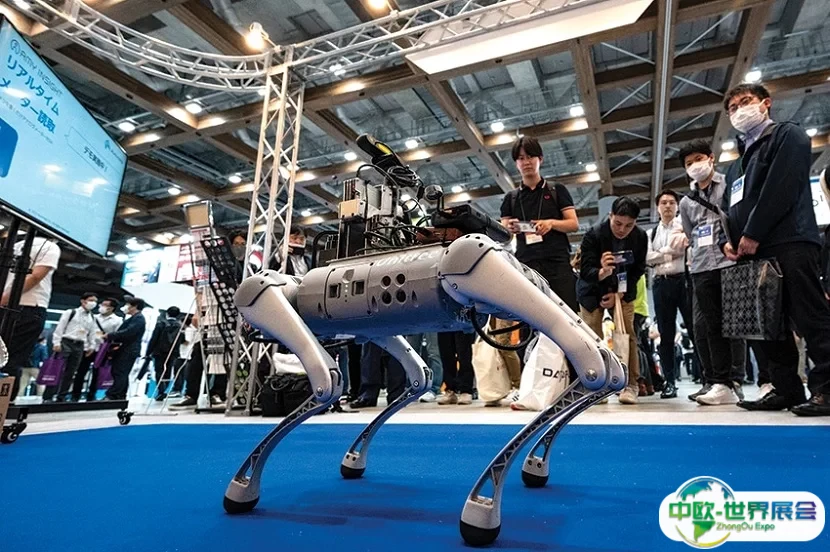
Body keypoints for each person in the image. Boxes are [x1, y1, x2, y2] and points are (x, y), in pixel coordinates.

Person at [719, 83, 830, 416]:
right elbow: (729, 208)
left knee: (809, 316)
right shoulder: (737, 165)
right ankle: (785, 388)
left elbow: (782, 185)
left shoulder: (787, 135)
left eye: (746, 102)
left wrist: (753, 231)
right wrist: (728, 241)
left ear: (766, 103)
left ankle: (826, 388)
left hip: (790, 240)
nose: (739, 110)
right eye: (733, 107)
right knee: (768, 324)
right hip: (752, 251)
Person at [678, 140, 746, 405]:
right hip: (702, 266)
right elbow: (690, 233)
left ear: (711, 158)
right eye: (689, 163)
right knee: (710, 326)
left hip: (730, 261)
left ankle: (736, 379)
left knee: (734, 324)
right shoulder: (686, 202)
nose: (695, 166)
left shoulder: (729, 184)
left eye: (698, 159)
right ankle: (719, 382)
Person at [578, 197, 647, 404]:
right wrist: (602, 271)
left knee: (627, 335)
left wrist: (618, 294)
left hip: (623, 290)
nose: (622, 229)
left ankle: (630, 384)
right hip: (592, 291)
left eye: (628, 225)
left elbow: (638, 270)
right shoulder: (593, 235)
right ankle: (596, 384)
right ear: (610, 216)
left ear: (635, 223)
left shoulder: (640, 237)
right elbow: (585, 271)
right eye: (618, 223)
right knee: (591, 338)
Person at [500, 135, 580, 310]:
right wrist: (510, 228)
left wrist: (551, 223)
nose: (526, 162)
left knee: (567, 314)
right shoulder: (511, 198)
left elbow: (573, 224)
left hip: (558, 263)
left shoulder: (556, 190)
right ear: (516, 163)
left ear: (540, 159)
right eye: (521, 158)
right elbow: (502, 232)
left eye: (530, 156)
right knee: (531, 314)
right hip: (526, 264)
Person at [2, 236, 60, 403]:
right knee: (11, 360)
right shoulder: (50, 246)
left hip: (9, 307)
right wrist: (6, 298)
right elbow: (35, 277)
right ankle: (4, 407)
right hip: (29, 306)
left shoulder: (15, 246)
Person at [645, 190, 691, 399]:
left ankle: (709, 380)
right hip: (661, 283)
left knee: (695, 329)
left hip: (684, 281)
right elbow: (648, 258)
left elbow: (685, 249)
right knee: (665, 335)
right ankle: (669, 382)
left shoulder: (684, 226)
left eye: (672, 202)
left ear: (677, 206)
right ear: (657, 207)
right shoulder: (651, 233)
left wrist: (661, 254)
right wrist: (670, 252)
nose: (667, 206)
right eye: (663, 202)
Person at [46, 292, 98, 402]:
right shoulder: (71, 312)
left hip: (80, 345)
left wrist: (91, 346)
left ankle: (62, 396)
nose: (93, 303)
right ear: (83, 301)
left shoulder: (92, 317)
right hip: (66, 342)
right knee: (57, 370)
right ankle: (48, 396)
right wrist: (56, 342)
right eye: (91, 300)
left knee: (70, 372)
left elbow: (92, 333)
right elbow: (60, 327)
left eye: (95, 301)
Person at [71, 298, 123, 402]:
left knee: (97, 374)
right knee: (81, 372)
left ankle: (91, 396)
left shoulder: (117, 320)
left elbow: (117, 336)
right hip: (89, 348)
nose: (101, 306)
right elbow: (85, 332)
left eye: (105, 305)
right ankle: (75, 395)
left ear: (111, 308)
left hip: (103, 350)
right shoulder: (93, 317)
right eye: (101, 304)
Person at [104, 297, 146, 401]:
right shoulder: (134, 318)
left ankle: (113, 394)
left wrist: (110, 335)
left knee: (120, 372)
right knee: (121, 372)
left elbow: (129, 332)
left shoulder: (139, 318)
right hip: (126, 349)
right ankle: (120, 395)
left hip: (128, 350)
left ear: (135, 306)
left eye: (128, 304)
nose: (126, 307)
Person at [145, 306, 183, 401]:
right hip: (172, 352)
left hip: (159, 351)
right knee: (168, 371)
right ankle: (165, 389)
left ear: (167, 313)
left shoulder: (161, 324)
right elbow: (179, 340)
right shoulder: (179, 326)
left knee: (159, 371)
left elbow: (154, 338)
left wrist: (148, 352)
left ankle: (160, 390)